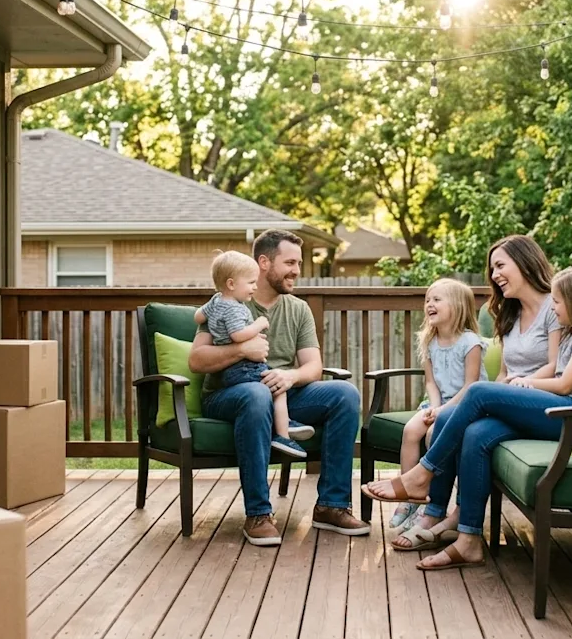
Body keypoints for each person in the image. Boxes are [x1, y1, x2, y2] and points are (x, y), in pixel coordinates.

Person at [364, 266, 572, 570]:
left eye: (557, 302)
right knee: (477, 434)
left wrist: (526, 382)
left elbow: (565, 385)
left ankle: (423, 473)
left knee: (478, 392)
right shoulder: (571, 334)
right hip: (556, 412)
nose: (553, 308)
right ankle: (468, 540)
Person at [189, 229, 370, 546]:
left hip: (284, 393)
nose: (297, 270)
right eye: (289, 263)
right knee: (257, 394)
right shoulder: (226, 302)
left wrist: (290, 377)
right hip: (229, 394)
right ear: (264, 262)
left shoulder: (298, 308)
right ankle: (258, 514)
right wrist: (241, 351)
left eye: (298, 263)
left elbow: (313, 366)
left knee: (345, 394)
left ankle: (332, 506)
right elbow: (197, 360)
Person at [388, 235, 561, 551]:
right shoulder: (509, 314)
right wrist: (504, 389)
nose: (495, 275)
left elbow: (556, 366)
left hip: (548, 404)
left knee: (477, 392)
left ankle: (420, 477)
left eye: (500, 266)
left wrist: (516, 386)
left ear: (525, 262)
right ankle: (455, 526)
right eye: (492, 269)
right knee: (467, 429)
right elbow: (504, 373)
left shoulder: (556, 307)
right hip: (515, 403)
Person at [389, 278, 488, 535]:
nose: (429, 304)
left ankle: (431, 502)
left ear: (457, 306)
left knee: (434, 434)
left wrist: (442, 411)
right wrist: (433, 407)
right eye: (427, 300)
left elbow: (471, 386)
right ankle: (409, 497)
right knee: (411, 431)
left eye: (436, 300)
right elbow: (431, 383)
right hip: (438, 403)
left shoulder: (470, 342)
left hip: (465, 405)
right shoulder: (429, 341)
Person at [193, 250, 313, 459]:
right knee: (272, 389)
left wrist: (290, 376)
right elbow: (237, 335)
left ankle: (284, 424)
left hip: (237, 374)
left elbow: (198, 316)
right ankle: (283, 433)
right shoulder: (236, 308)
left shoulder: (216, 301)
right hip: (240, 374)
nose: (254, 287)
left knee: (340, 392)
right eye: (250, 282)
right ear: (232, 284)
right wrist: (258, 326)